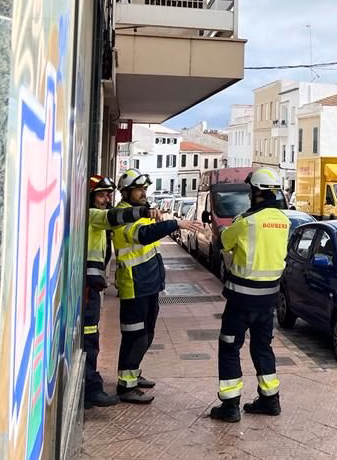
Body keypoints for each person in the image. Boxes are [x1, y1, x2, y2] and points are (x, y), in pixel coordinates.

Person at [111, 168, 201, 404]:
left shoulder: (136, 211)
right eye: (139, 190)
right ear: (127, 192)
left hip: (148, 283)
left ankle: (134, 372)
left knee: (147, 333)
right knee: (135, 335)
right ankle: (126, 385)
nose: (143, 194)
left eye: (144, 190)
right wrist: (175, 223)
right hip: (134, 284)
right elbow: (143, 235)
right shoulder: (122, 214)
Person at [210, 168, 291, 422]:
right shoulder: (284, 221)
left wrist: (230, 227)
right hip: (268, 300)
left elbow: (223, 241)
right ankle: (270, 400)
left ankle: (230, 405)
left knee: (230, 347)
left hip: (241, 299)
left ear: (255, 192)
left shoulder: (246, 222)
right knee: (262, 347)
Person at [83, 175, 153, 408]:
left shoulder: (95, 219)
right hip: (86, 290)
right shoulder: (91, 215)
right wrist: (140, 213)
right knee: (89, 339)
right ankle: (91, 389)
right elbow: (112, 217)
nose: (106, 199)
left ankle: (92, 386)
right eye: (101, 195)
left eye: (108, 195)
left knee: (91, 338)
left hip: (91, 288)